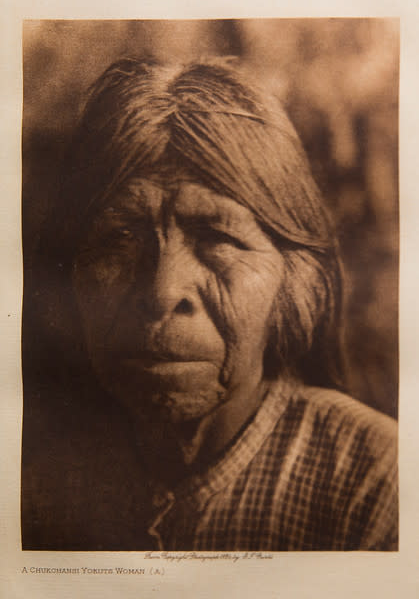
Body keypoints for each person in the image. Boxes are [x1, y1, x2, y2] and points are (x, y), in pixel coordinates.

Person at [22, 57, 398, 551]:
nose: (161, 293)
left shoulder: (374, 482)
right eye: (120, 237)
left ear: (294, 281)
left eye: (216, 237)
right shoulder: (36, 480)